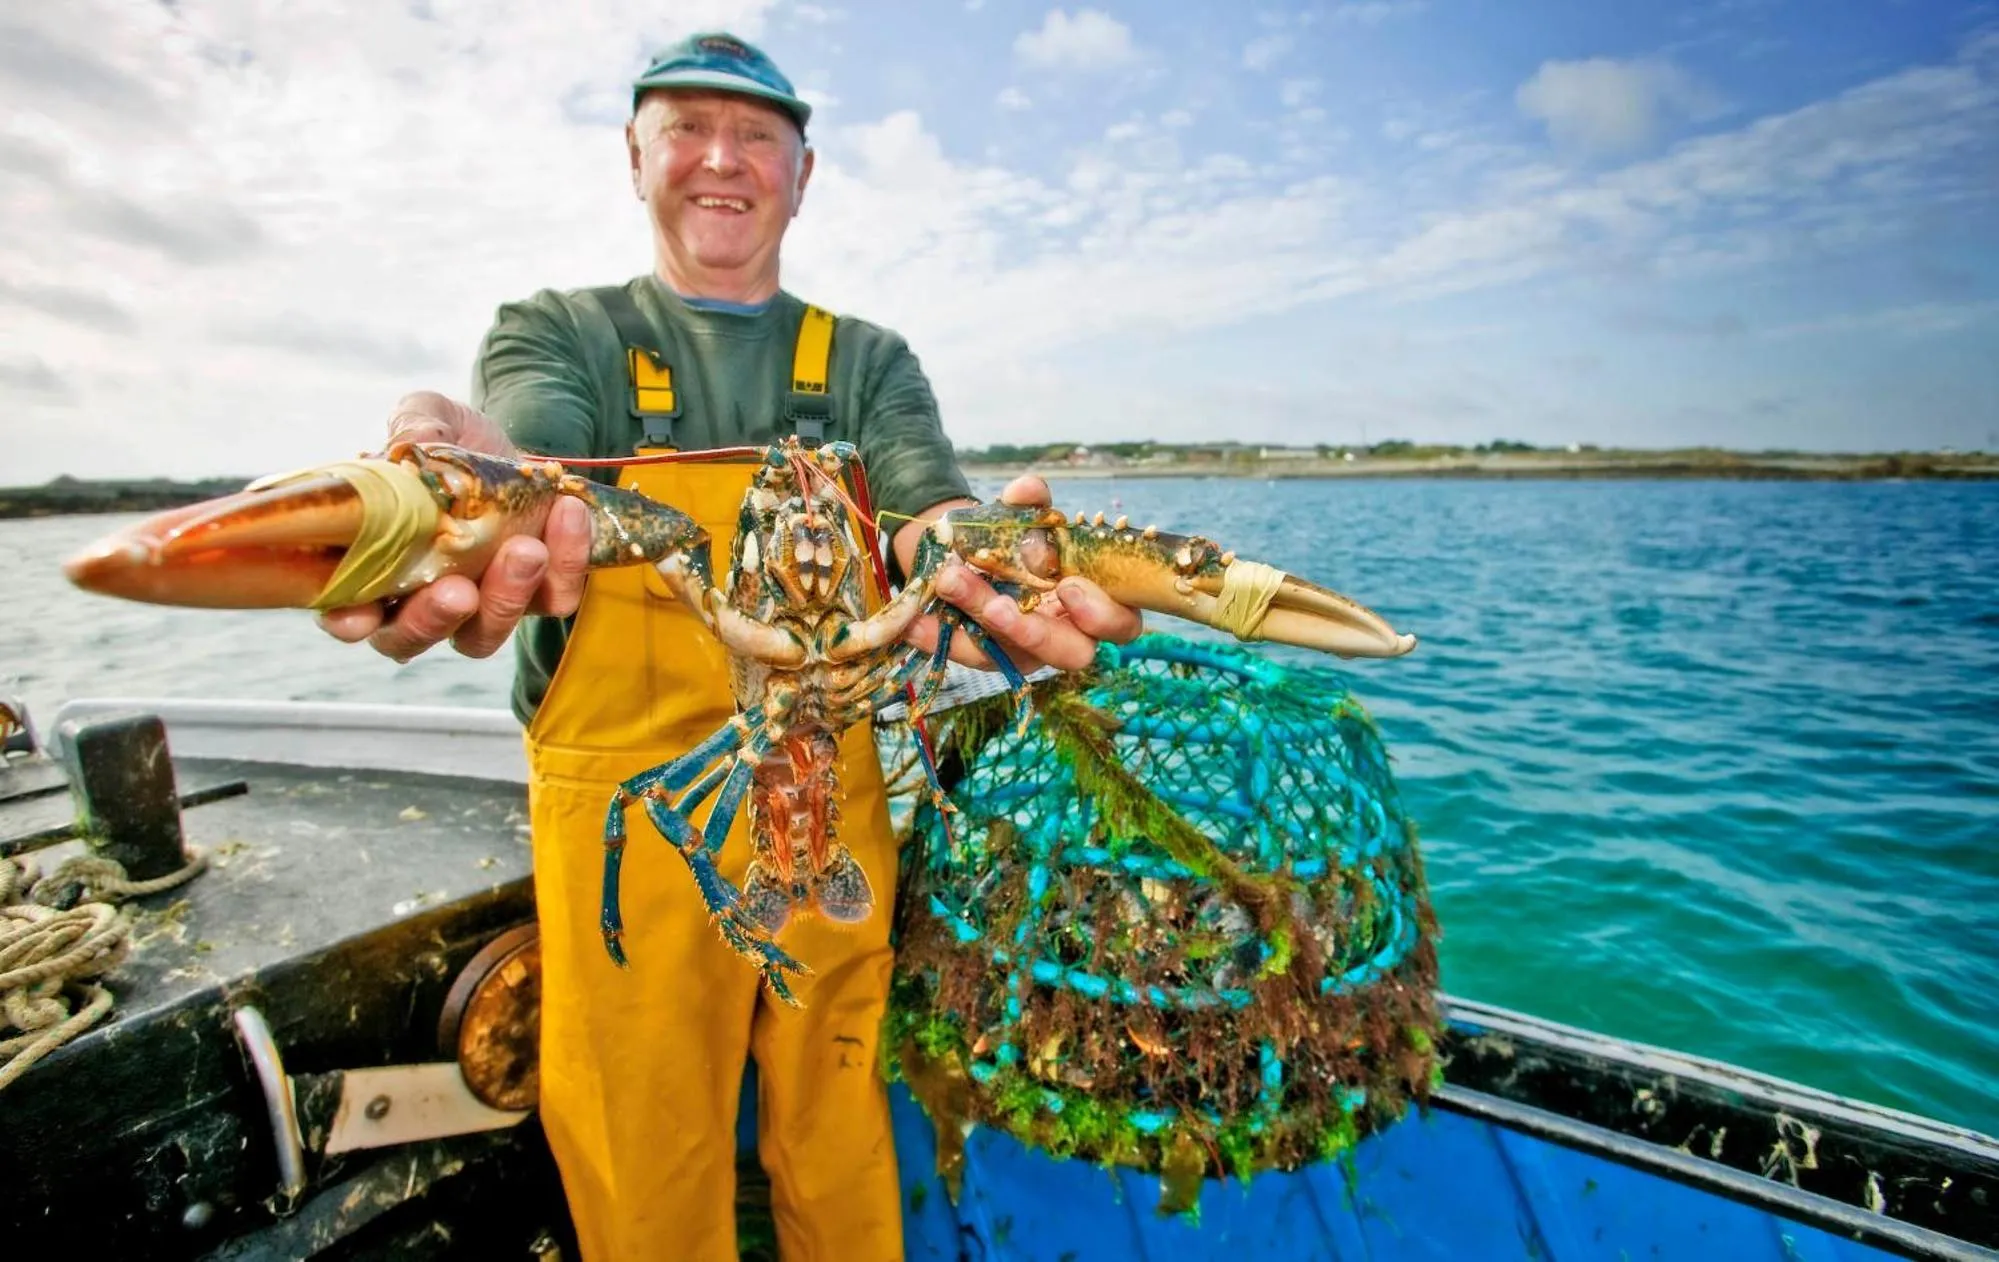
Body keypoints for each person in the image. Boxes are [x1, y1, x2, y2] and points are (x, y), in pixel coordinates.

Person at [317, 31, 1140, 1261]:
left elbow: (926, 510)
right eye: (687, 130)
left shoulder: (866, 360)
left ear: (803, 173)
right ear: (634, 156)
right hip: (645, 801)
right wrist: (470, 499)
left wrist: (986, 566)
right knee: (639, 1136)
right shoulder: (558, 330)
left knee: (841, 1113)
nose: (722, 159)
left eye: (757, 135)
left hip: (829, 790)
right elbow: (539, 463)